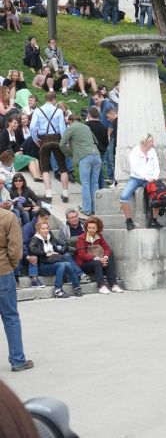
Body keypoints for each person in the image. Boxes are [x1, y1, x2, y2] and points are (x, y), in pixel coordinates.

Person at [0, 202, 33, 372]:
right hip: (3, 271)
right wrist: (12, 266)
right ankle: (17, 360)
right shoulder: (8, 216)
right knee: (10, 317)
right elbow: (15, 249)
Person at [30, 92, 70, 203]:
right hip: (57, 139)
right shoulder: (58, 111)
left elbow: (32, 127)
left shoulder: (38, 110)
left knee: (45, 169)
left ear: (45, 98)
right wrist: (64, 142)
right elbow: (62, 128)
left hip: (44, 140)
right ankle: (65, 194)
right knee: (63, 168)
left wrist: (35, 139)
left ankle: (48, 194)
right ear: (54, 99)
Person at [119, 133, 163, 230]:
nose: (153, 143)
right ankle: (128, 221)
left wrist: (155, 177)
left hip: (151, 178)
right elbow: (134, 169)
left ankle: (154, 220)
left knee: (157, 195)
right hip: (136, 178)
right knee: (124, 196)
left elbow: (156, 166)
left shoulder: (152, 151)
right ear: (146, 142)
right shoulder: (135, 151)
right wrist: (146, 177)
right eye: (151, 141)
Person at [29, 221, 84, 299]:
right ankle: (57, 289)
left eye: (47, 228)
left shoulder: (50, 237)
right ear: (38, 230)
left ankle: (77, 287)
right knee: (61, 265)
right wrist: (45, 253)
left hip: (53, 261)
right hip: (43, 266)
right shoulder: (35, 239)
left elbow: (64, 243)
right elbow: (32, 250)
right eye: (43, 229)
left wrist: (59, 252)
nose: (45, 230)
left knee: (67, 264)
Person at [60, 114, 101, 215]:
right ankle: (95, 209)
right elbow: (96, 142)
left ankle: (86, 209)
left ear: (70, 121)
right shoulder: (86, 127)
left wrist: (71, 154)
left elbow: (62, 144)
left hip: (84, 156)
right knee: (94, 184)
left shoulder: (71, 128)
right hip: (96, 155)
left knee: (85, 184)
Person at [74, 217, 122, 295]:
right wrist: (98, 259)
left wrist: (105, 257)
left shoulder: (99, 236)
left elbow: (107, 249)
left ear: (97, 228)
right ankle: (101, 286)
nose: (90, 230)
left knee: (108, 258)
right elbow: (82, 255)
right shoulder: (81, 238)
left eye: (93, 228)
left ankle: (114, 284)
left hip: (98, 260)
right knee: (97, 262)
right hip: (85, 264)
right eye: (89, 227)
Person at [0, 116, 42, 180]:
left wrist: (20, 151)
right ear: (9, 123)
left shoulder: (14, 133)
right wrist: (14, 153)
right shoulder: (4, 133)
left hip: (14, 155)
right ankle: (36, 177)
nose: (16, 125)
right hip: (7, 157)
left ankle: (39, 176)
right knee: (29, 159)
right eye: (14, 123)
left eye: (17, 123)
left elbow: (16, 146)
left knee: (35, 159)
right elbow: (2, 148)